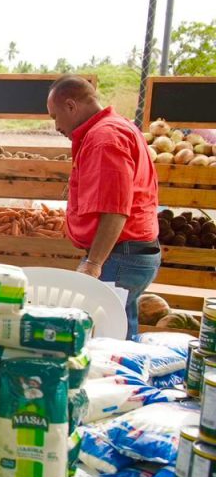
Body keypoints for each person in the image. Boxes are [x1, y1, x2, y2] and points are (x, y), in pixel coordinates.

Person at [46, 75, 160, 337]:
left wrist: (93, 263)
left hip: (120, 255)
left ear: (71, 106)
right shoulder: (118, 127)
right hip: (130, 253)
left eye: (55, 117)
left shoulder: (104, 139)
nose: (56, 126)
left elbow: (116, 209)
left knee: (103, 338)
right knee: (121, 333)